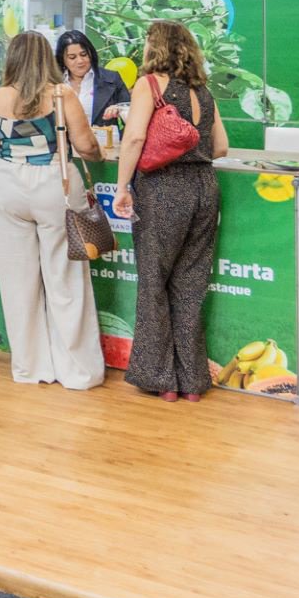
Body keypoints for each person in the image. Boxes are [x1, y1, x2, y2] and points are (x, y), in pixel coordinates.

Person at [0, 30, 106, 390]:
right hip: (54, 184)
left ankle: (30, 367)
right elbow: (85, 145)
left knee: (18, 283)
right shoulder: (62, 94)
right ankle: (77, 372)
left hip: (6, 186)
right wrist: (97, 154)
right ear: (48, 58)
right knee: (65, 279)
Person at [114, 21, 230, 402]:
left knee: (154, 282)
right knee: (190, 285)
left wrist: (121, 187)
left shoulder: (149, 85)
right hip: (205, 188)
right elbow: (221, 147)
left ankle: (162, 379)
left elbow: (134, 137)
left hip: (163, 189)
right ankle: (193, 381)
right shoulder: (204, 91)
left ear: (156, 48)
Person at [57, 30, 129, 129]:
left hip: (104, 138)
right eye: (72, 57)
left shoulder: (112, 78)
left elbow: (131, 112)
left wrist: (118, 109)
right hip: (65, 138)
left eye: (84, 54)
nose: (80, 61)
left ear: (91, 53)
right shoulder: (55, 83)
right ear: (62, 59)